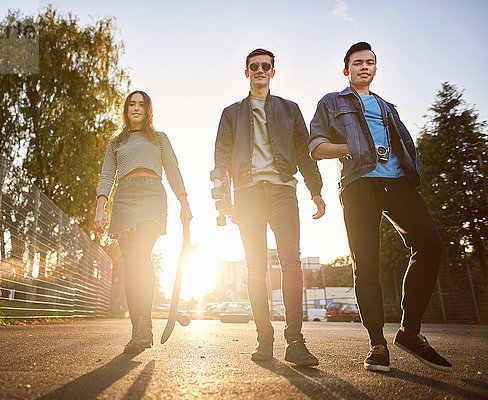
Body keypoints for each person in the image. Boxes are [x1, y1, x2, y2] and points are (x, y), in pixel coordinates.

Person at [308, 42, 452, 372]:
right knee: (366, 264)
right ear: (347, 70)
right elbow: (315, 146)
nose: (364, 67)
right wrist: (353, 147)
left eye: (370, 62)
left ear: (375, 68)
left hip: (397, 183)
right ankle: (377, 343)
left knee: (430, 244)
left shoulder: (389, 107)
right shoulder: (332, 102)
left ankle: (410, 333)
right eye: (357, 62)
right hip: (359, 184)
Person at [214, 48, 325, 365]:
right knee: (256, 268)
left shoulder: (290, 110)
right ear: (246, 72)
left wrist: (315, 190)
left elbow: (305, 153)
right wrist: (225, 201)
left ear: (273, 72)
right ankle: (265, 340)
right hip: (247, 195)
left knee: (292, 263)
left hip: (282, 192)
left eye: (266, 66)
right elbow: (221, 161)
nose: (260, 70)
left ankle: (295, 342)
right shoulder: (231, 113)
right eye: (254, 66)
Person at [95, 90, 192, 354]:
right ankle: (138, 329)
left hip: (152, 195)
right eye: (132, 104)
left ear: (148, 110)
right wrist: (100, 206)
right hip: (124, 197)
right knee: (130, 265)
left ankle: (144, 327)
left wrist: (184, 202)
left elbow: (173, 170)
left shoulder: (159, 139)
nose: (136, 108)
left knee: (140, 256)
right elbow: (107, 175)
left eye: (141, 104)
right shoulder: (116, 143)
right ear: (126, 111)